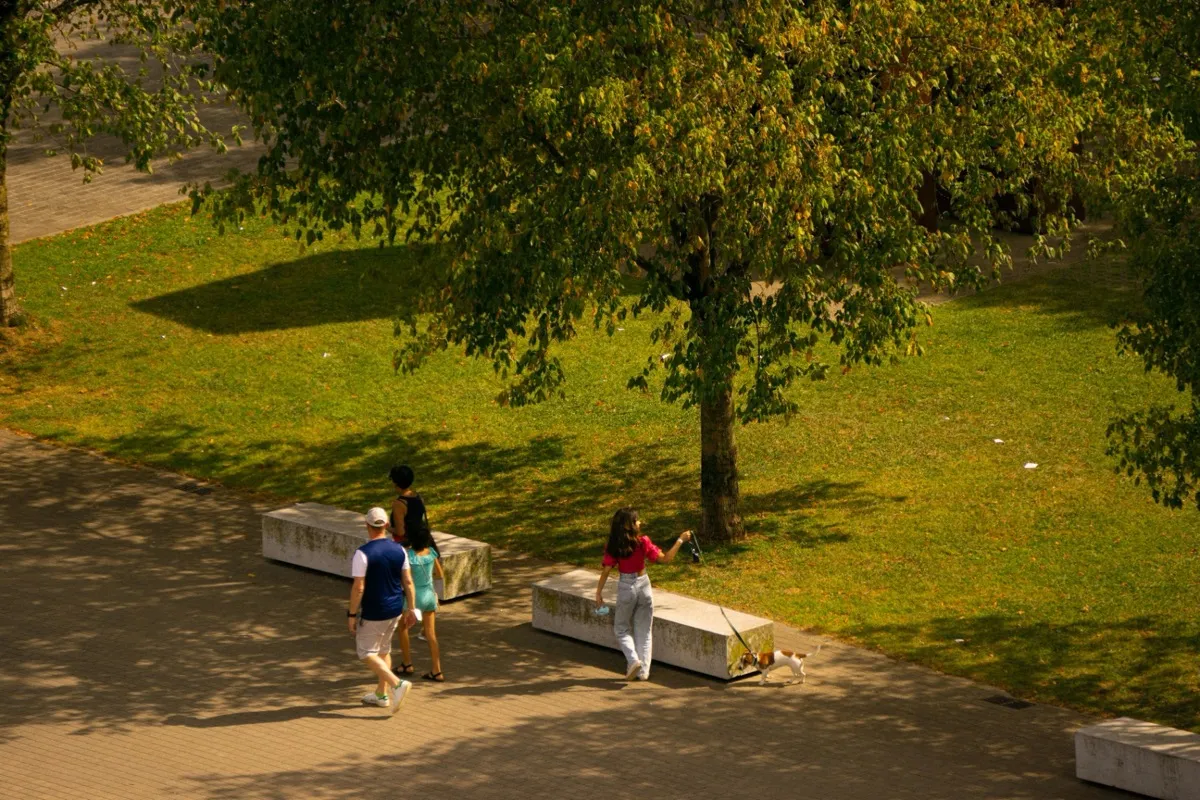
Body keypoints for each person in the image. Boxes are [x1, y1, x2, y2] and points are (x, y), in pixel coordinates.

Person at [594, 508, 692, 681]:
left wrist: (599, 592)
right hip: (644, 584)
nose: (640, 522)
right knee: (644, 630)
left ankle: (633, 660)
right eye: (636, 520)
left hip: (626, 586)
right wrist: (680, 540)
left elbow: (606, 570)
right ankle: (643, 672)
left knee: (621, 629)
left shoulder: (614, 545)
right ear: (629, 525)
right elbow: (666, 559)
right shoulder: (643, 542)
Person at [348, 506, 418, 714]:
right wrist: (411, 608)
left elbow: (359, 587)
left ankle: (397, 684)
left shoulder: (362, 553)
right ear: (386, 525)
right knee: (383, 650)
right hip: (395, 608)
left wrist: (351, 614)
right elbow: (408, 581)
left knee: (365, 653)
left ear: (366, 525)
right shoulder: (400, 550)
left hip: (374, 610)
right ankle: (381, 694)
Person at [400, 524, 446, 682]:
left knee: (403, 628)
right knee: (431, 634)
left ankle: (407, 664)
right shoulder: (431, 552)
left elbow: (404, 578)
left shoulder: (408, 555)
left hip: (413, 597)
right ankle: (437, 670)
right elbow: (440, 574)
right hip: (429, 595)